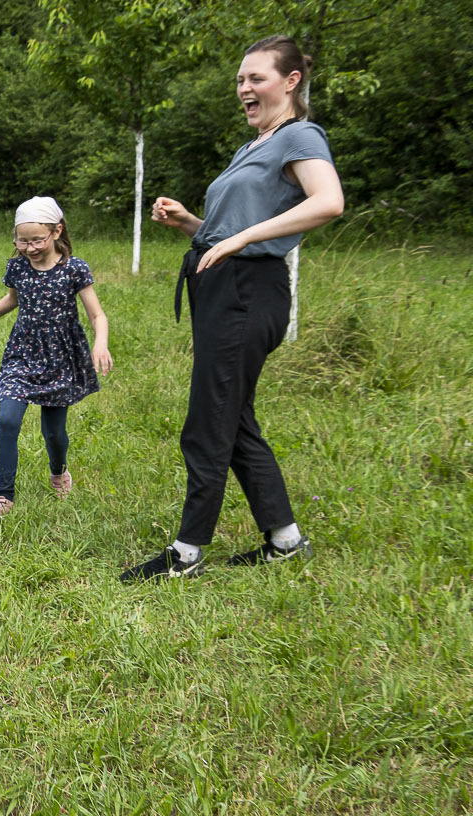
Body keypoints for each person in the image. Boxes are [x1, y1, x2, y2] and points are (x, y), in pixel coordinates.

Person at [122, 35, 344, 582]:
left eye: (256, 78)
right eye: (240, 81)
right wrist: (194, 226)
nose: (244, 89)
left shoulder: (300, 135)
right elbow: (234, 229)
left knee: (208, 422)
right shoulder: (255, 145)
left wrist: (240, 240)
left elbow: (328, 201)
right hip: (224, 286)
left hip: (249, 289)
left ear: (291, 82)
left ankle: (187, 552)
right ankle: (285, 539)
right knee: (234, 417)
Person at [0, 196, 112, 525]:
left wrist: (101, 344)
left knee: (54, 432)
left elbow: (97, 314)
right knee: (7, 420)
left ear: (57, 231)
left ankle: (58, 472)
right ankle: (5, 497)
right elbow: (13, 298)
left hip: (60, 357)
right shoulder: (17, 266)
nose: (29, 248)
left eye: (36, 240)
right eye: (22, 241)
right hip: (22, 353)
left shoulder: (74, 268)